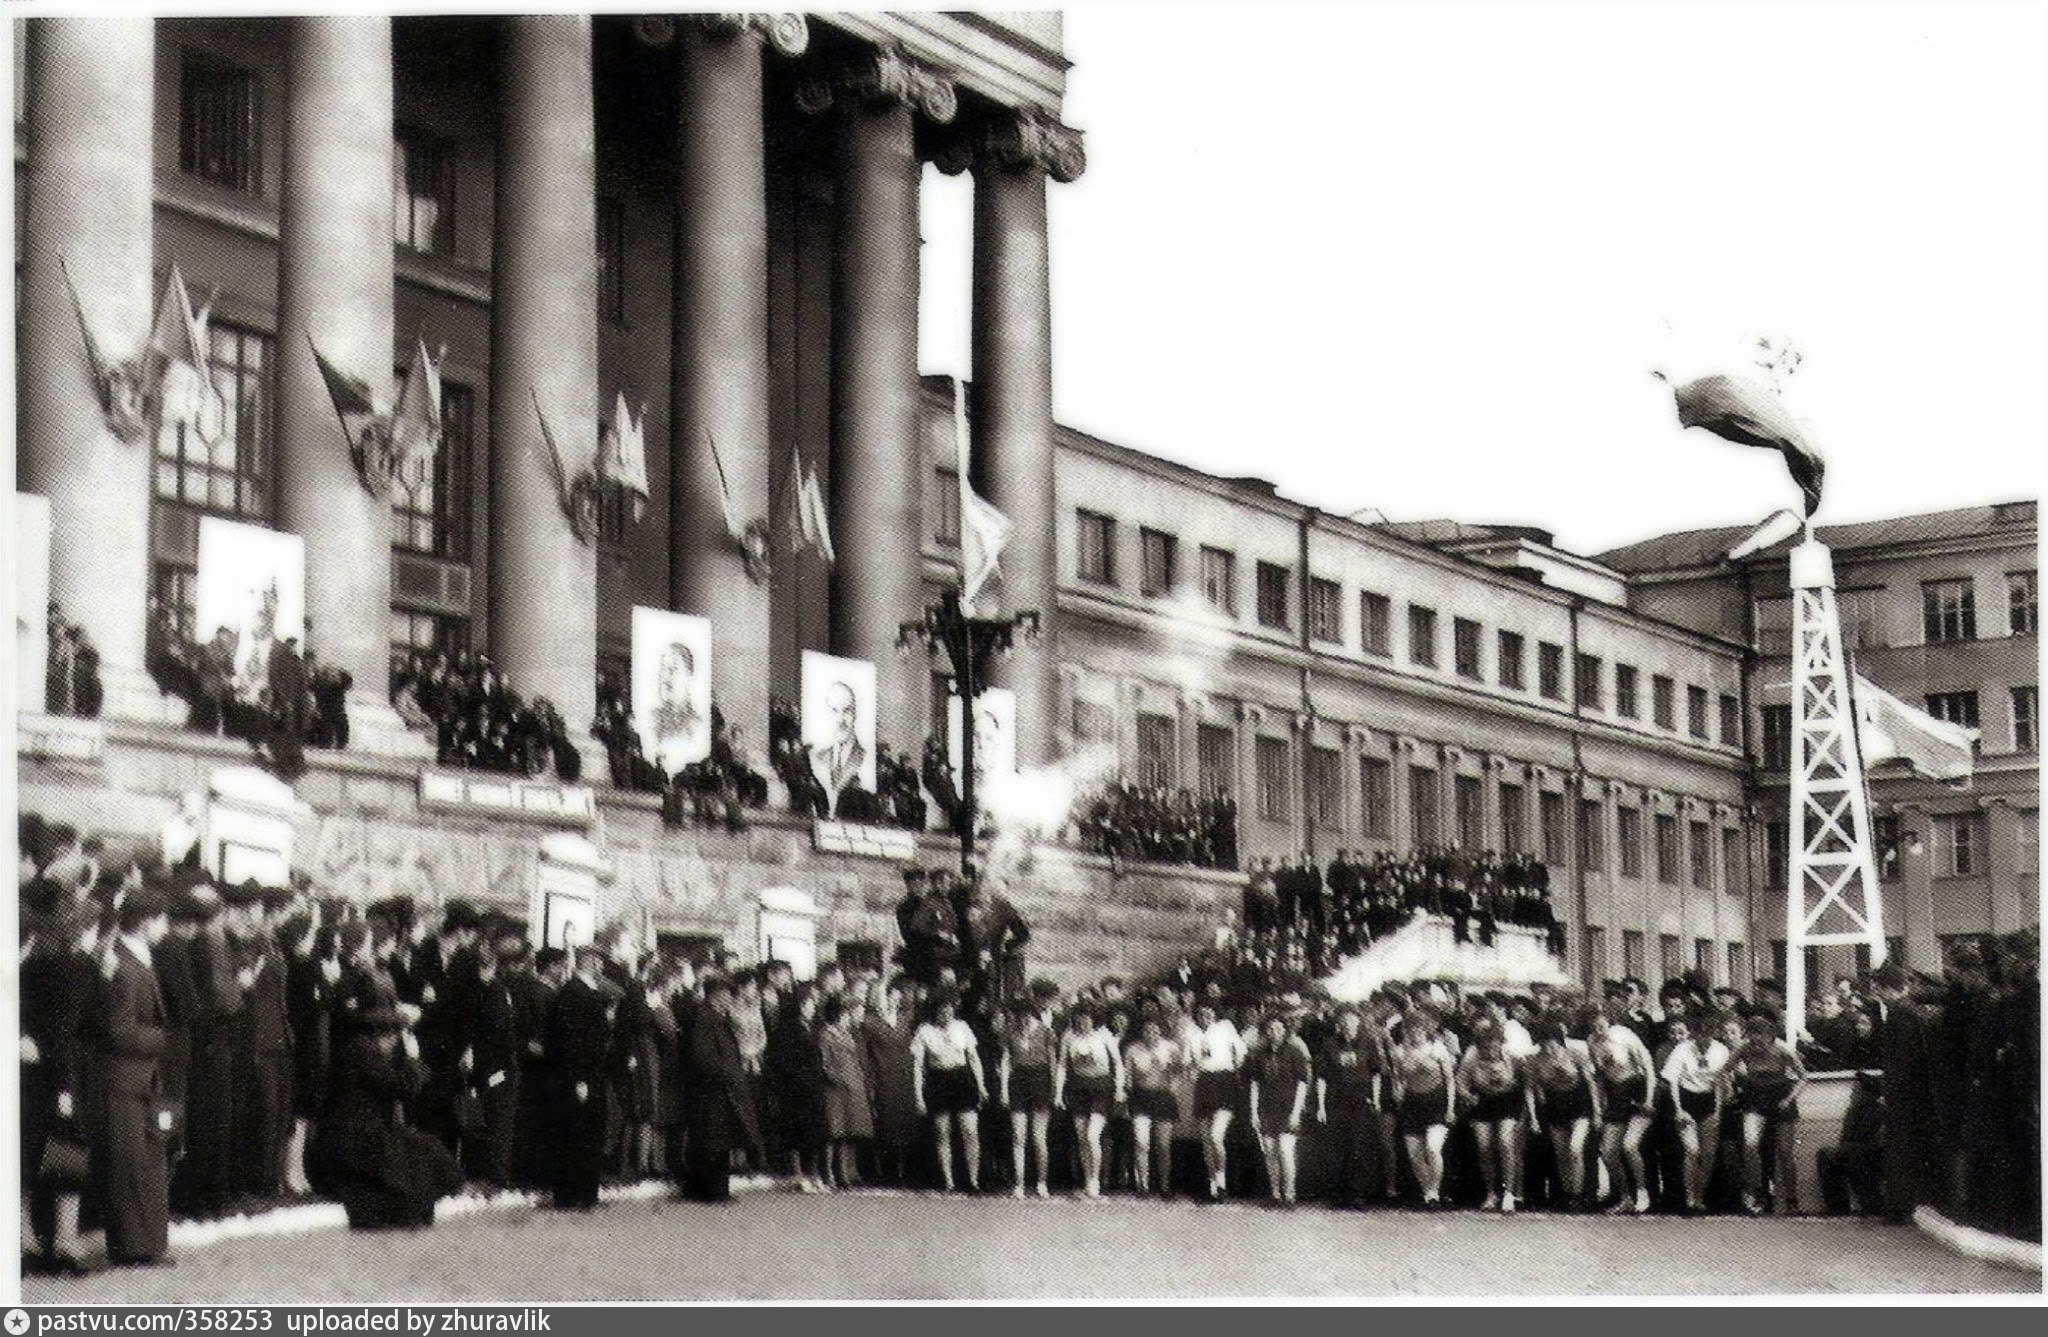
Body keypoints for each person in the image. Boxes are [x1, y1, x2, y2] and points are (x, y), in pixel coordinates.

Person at [306, 980, 462, 1230]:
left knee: (421, 1152)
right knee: (421, 1155)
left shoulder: (360, 1049)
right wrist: (412, 1058)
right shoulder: (364, 1052)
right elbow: (402, 1087)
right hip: (357, 1142)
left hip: (361, 1137)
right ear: (383, 1033)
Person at [86, 886, 175, 1267]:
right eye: (162, 919)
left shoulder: (135, 958)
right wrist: (162, 1038)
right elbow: (119, 1031)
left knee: (146, 1162)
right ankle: (132, 1246)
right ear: (147, 922)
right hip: (123, 1079)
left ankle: (146, 1243)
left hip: (139, 1078)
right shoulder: (122, 965)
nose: (166, 926)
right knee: (129, 1166)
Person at [544, 947, 615, 1210]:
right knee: (579, 1135)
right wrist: (579, 1078)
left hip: (589, 1074)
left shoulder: (582, 991)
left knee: (587, 1134)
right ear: (590, 962)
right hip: (581, 1076)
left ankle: (584, 1193)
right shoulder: (575, 993)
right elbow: (571, 1041)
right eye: (598, 961)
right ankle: (575, 1195)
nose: (601, 966)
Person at [1727, 1010, 1808, 1215]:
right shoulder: (1745, 1049)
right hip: (1756, 1096)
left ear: (1770, 1035)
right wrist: (1731, 1089)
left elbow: (1803, 1077)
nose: (1756, 1042)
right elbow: (1724, 1070)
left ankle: (1792, 1199)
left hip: (1781, 1095)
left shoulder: (1783, 1049)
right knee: (1750, 1144)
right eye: (1752, 1036)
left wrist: (1789, 1099)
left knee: (1785, 1151)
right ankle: (1758, 1193)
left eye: (1760, 1036)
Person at [682, 976, 754, 1204]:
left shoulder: (717, 1018)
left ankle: (714, 1188)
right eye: (726, 996)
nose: (729, 1000)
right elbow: (703, 1056)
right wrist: (725, 1073)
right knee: (713, 1140)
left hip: (719, 1088)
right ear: (715, 996)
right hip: (712, 1090)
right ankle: (713, 1191)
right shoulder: (705, 1018)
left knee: (718, 1139)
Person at [911, 992, 986, 1194]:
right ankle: (949, 1182)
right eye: (942, 1011)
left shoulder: (962, 1027)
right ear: (935, 1012)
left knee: (970, 1130)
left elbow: (973, 1058)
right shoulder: (924, 1031)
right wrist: (918, 1095)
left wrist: (981, 1085)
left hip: (962, 1078)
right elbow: (918, 1066)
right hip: (938, 1079)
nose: (946, 1015)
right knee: (942, 1132)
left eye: (950, 1011)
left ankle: (973, 1180)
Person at [1316, 1004, 1386, 1209]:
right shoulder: (1329, 1044)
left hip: (1361, 1101)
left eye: (1352, 1019)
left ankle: (1359, 1193)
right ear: (1338, 1022)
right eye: (1343, 1020)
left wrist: (1376, 1099)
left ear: (1358, 1021)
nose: (1348, 1023)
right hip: (1337, 1101)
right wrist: (1321, 1105)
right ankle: (1339, 1194)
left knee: (1360, 1146)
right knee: (1338, 1147)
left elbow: (1376, 1074)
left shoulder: (1368, 1043)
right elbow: (1322, 1077)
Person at [1591, 1004, 1658, 1215]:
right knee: (1608, 1151)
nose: (1599, 1031)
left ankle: (1642, 1192)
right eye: (1594, 1027)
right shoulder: (1592, 1042)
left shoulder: (1624, 1035)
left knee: (1630, 1145)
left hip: (1638, 1088)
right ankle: (1625, 1196)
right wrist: (1601, 1108)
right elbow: (1600, 1077)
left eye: (1602, 1026)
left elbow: (1647, 1067)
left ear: (1609, 1023)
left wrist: (1648, 1099)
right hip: (1616, 1093)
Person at [1526, 1019, 1599, 1211]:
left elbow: (1591, 1084)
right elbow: (1530, 1090)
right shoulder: (1536, 1061)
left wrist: (1597, 1111)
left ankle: (1578, 1193)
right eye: (1544, 1044)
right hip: (1555, 1107)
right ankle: (1568, 1194)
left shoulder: (1575, 1055)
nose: (1548, 1048)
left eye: (1552, 1044)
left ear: (1559, 1041)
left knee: (1575, 1148)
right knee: (1561, 1154)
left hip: (1579, 1104)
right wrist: (1533, 1117)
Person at [1056, 1001, 1125, 1199]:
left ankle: (1095, 1180)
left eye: (1086, 1019)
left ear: (1093, 1019)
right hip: (1078, 1087)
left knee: (1092, 1136)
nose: (1083, 1023)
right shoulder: (1069, 1036)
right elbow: (1062, 1065)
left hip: (1101, 1087)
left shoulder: (1104, 1035)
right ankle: (1087, 1180)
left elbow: (1118, 1064)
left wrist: (1119, 1089)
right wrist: (1058, 1093)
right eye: (1079, 1020)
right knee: (1081, 1137)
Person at [1660, 1012, 1727, 1214]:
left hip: (1709, 1101)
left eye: (1708, 1036)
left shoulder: (1720, 1050)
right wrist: (1679, 1110)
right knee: (1692, 1150)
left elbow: (1720, 1083)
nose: (1703, 1040)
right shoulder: (1682, 1049)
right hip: (1686, 1099)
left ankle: (1700, 1197)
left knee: (1708, 1154)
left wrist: (1717, 1111)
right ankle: (1689, 1198)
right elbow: (1672, 1081)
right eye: (1699, 1036)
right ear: (1694, 1034)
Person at [1456, 1023, 1526, 1213]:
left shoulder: (1511, 1057)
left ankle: (1509, 1194)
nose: (1490, 1050)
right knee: (1484, 1146)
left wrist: (1524, 1110)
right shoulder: (1471, 1057)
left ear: (1500, 1043)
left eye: (1494, 1046)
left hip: (1507, 1102)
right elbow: (1460, 1081)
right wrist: (1468, 1096)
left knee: (1505, 1142)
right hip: (1483, 1102)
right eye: (1485, 1047)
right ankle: (1491, 1193)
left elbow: (1526, 1081)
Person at [1391, 1008, 1457, 1207]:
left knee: (1432, 1147)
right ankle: (1428, 1192)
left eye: (1419, 1029)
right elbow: (1398, 1078)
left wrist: (1450, 1108)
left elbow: (1450, 1080)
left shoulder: (1437, 1049)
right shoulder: (1399, 1051)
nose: (1415, 1033)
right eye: (1411, 1029)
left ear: (1425, 1030)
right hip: (1412, 1103)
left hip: (1436, 1101)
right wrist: (1398, 1092)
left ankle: (1435, 1191)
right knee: (1414, 1154)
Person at [1246, 1013, 1313, 1208]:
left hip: (1288, 1108)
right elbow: (1254, 1084)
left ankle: (1290, 1194)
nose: (1274, 1032)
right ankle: (1275, 1194)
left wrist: (1296, 1112)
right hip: (1266, 1108)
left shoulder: (1295, 1051)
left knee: (1286, 1150)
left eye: (1278, 1029)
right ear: (1266, 1031)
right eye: (1270, 1029)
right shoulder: (1259, 1053)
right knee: (1269, 1151)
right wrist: (1253, 1112)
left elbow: (1302, 1084)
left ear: (1285, 1031)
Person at [998, 994, 1058, 1199]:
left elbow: (1053, 1063)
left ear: (1033, 1015)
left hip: (1040, 1081)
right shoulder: (1009, 1032)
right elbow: (1006, 1062)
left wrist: (1055, 1090)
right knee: (1018, 1136)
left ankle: (1042, 1183)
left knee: (1039, 1138)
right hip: (1018, 1082)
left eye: (1026, 1015)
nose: (1022, 1020)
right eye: (1018, 1016)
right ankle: (1019, 1184)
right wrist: (1004, 1090)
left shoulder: (1046, 1032)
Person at [861, 980, 921, 1187]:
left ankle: (908, 1171)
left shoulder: (906, 1020)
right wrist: (870, 1082)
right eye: (889, 998)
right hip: (883, 1077)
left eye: (896, 998)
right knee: (887, 1124)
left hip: (905, 1077)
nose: (893, 1002)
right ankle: (888, 1172)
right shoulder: (869, 1023)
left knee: (907, 1123)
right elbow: (866, 1055)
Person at [1189, 1001, 1247, 1201]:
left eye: (1208, 1013)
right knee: (1206, 1141)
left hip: (1224, 1081)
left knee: (1216, 1136)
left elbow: (1241, 1051)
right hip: (1204, 1083)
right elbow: (1189, 1061)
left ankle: (1222, 1182)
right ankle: (1212, 1187)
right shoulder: (1193, 1034)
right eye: (1201, 1013)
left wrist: (1233, 1072)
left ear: (1214, 1014)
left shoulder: (1225, 1027)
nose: (1205, 1017)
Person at [1123, 1014, 1186, 1198]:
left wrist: (1173, 1087)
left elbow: (1178, 1073)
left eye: (1155, 1030)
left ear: (1161, 1031)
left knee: (1163, 1145)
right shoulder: (1132, 1049)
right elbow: (1128, 1077)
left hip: (1163, 1098)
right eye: (1147, 1030)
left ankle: (1165, 1186)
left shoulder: (1171, 1048)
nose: (1151, 1034)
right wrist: (1128, 1095)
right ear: (1142, 1032)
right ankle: (1143, 1185)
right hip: (1140, 1097)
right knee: (1141, 1142)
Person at [819, 995, 873, 1191]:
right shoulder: (826, 1034)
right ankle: (829, 1173)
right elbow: (825, 1064)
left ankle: (845, 1173)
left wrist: (859, 1081)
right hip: (836, 1089)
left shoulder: (848, 1034)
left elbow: (856, 1061)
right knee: (834, 1133)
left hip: (853, 1086)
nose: (847, 1018)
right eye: (844, 1014)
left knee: (850, 1133)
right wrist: (839, 1080)